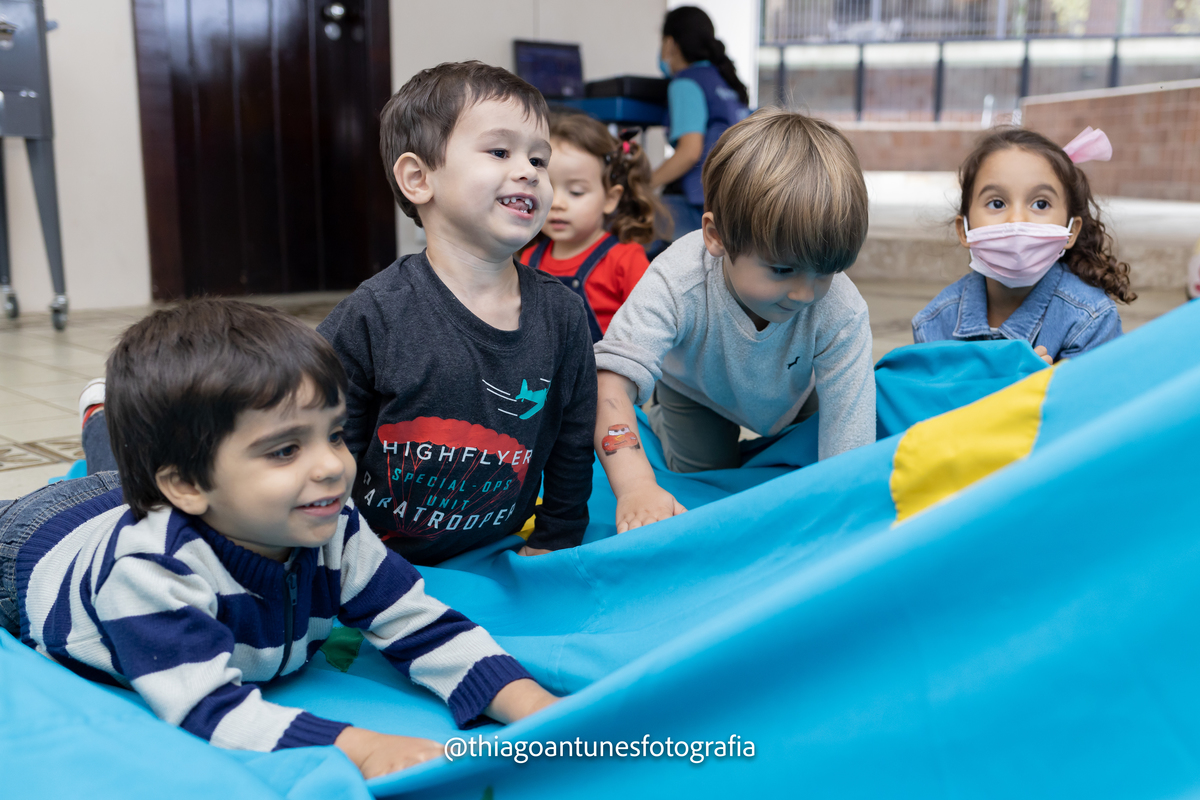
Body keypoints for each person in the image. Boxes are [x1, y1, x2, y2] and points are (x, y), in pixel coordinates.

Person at [0, 300, 559, 781]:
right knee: (112, 480)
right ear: (189, 485)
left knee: (121, 476)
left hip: (143, 497)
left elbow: (419, 624)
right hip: (35, 539)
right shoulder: (148, 573)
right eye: (285, 449)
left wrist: (532, 705)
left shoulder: (331, 524)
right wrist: (359, 747)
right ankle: (105, 417)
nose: (332, 467)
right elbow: (210, 711)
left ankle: (105, 418)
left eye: (335, 435)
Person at [317, 62, 597, 564]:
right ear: (419, 178)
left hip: (502, 548)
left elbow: (572, 442)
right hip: (378, 560)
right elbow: (327, 443)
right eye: (499, 151)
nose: (528, 171)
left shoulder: (563, 315)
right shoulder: (373, 314)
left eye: (539, 158)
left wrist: (556, 539)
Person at [593, 108, 875, 533]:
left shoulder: (840, 308)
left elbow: (849, 451)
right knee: (701, 484)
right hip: (696, 390)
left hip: (797, 392)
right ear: (716, 236)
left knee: (802, 476)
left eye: (825, 272)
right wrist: (635, 487)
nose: (804, 293)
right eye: (782, 270)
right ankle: (666, 419)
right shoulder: (677, 280)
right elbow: (610, 382)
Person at [912, 126, 1134, 362]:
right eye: (997, 203)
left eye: (1040, 204)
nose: (1017, 220)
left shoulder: (1092, 319)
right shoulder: (933, 324)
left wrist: (1041, 387)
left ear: (1071, 231)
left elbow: (1095, 397)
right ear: (964, 230)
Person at [520, 112, 664, 342]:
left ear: (610, 198)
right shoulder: (527, 259)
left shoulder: (625, 259)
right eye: (546, 187)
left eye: (576, 191)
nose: (557, 204)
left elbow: (652, 330)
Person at [652, 6, 750, 242]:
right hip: (736, 201)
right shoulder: (726, 80)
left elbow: (689, 152)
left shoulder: (686, 83)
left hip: (700, 206)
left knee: (627, 221)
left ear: (670, 44)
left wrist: (643, 184)